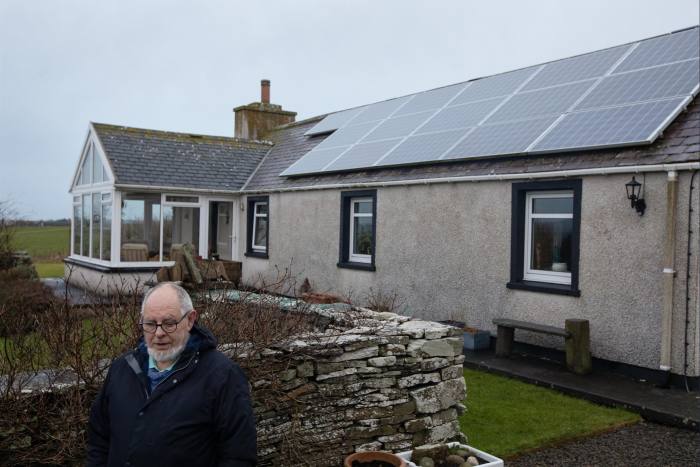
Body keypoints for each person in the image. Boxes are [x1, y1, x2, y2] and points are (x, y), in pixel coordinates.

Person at [87, 282, 257, 467]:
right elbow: (99, 439)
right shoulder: (122, 368)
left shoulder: (223, 376)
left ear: (190, 320)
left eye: (169, 323)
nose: (159, 333)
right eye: (150, 324)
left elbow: (239, 456)